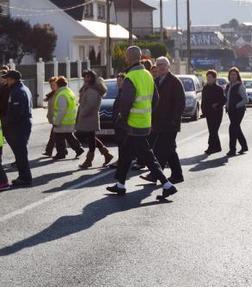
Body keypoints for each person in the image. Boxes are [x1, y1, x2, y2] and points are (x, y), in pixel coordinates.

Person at [106, 46, 177, 201]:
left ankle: (167, 185)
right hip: (144, 122)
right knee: (126, 154)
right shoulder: (147, 74)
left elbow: (126, 103)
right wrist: (147, 114)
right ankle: (120, 184)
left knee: (147, 156)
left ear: (128, 58)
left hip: (133, 125)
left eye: (126, 56)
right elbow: (155, 99)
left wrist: (122, 119)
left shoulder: (131, 77)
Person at [146, 57, 184, 183]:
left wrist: (174, 119)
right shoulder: (155, 81)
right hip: (158, 122)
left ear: (168, 67)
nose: (161, 67)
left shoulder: (175, 82)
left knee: (160, 150)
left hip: (170, 123)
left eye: (164, 64)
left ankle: (155, 174)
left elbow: (180, 103)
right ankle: (177, 175)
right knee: (170, 150)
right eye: (159, 65)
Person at [75, 70, 113, 169]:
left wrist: (82, 113)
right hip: (87, 117)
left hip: (89, 117)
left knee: (90, 138)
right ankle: (106, 154)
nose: (86, 78)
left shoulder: (92, 90)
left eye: (88, 77)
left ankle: (89, 160)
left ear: (92, 78)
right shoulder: (87, 88)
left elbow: (91, 105)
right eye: (85, 77)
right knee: (91, 137)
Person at [4, 70, 34, 185]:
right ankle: (24, 177)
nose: (7, 81)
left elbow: (17, 113)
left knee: (21, 153)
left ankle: (25, 178)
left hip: (20, 125)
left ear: (13, 79)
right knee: (20, 153)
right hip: (23, 123)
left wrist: (8, 123)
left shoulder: (18, 91)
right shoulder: (22, 88)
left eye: (8, 79)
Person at [50, 77, 84, 160]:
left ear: (58, 85)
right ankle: (78, 149)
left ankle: (61, 153)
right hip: (70, 119)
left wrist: (56, 122)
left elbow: (61, 110)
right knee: (68, 136)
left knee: (58, 137)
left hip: (63, 121)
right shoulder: (69, 92)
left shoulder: (61, 94)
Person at [224, 67, 249, 156]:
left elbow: (245, 99)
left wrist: (236, 106)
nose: (233, 76)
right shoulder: (228, 86)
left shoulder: (240, 86)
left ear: (237, 75)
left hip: (239, 111)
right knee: (236, 128)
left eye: (234, 74)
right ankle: (244, 146)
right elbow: (227, 98)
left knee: (232, 129)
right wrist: (226, 105)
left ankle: (232, 149)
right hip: (230, 111)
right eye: (231, 74)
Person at [201, 70, 225, 154]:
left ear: (215, 79)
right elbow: (203, 101)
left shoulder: (219, 89)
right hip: (208, 113)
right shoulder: (205, 88)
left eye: (210, 78)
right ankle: (217, 147)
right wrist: (203, 112)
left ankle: (211, 147)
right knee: (212, 130)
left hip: (217, 113)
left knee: (213, 130)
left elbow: (223, 100)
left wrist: (217, 104)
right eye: (207, 78)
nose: (208, 79)